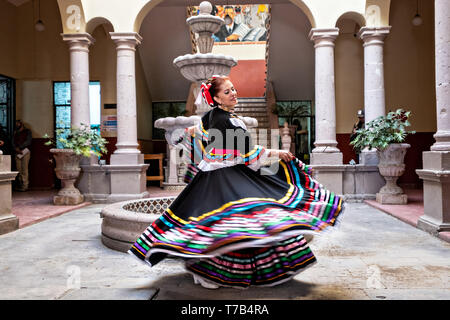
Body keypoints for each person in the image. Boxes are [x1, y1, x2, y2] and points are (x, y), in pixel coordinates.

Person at [129, 76, 344, 289]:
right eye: (227, 92)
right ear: (216, 98)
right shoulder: (224, 119)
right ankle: (211, 272)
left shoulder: (215, 116)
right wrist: (277, 152)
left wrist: (182, 136)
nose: (233, 93)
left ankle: (215, 271)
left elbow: (197, 132)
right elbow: (247, 154)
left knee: (230, 224)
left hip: (218, 176)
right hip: (222, 178)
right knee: (242, 220)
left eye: (233, 89)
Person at [13, 120, 32, 191]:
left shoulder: (27, 131)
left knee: (25, 169)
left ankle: (25, 186)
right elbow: (12, 141)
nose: (17, 125)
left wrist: (20, 147)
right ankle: (20, 185)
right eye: (16, 124)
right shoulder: (15, 132)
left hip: (25, 151)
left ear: (22, 124)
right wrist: (16, 149)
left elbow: (28, 141)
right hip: (17, 152)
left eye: (18, 124)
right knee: (18, 169)